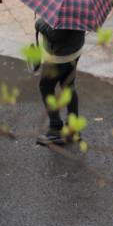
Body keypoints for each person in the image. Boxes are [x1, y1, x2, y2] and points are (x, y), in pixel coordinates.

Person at [35, 18, 85, 146]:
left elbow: (56, 35)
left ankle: (55, 129)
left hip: (59, 56)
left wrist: (39, 23)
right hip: (74, 51)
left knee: (45, 87)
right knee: (68, 86)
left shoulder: (62, 10)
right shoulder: (79, 4)